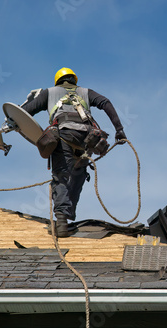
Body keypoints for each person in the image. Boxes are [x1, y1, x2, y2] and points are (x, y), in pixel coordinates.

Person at [21, 67, 126, 237]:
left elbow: (25, 113)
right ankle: (68, 216)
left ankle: (61, 224)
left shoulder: (49, 93)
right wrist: (119, 130)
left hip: (64, 136)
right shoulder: (86, 92)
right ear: (74, 80)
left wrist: (15, 118)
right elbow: (105, 102)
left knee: (61, 177)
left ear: (57, 81)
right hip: (88, 139)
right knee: (78, 173)